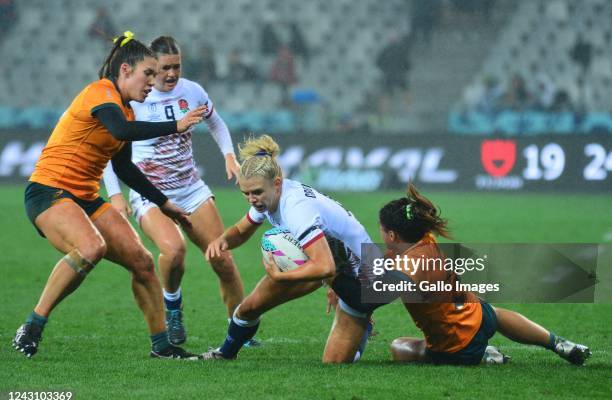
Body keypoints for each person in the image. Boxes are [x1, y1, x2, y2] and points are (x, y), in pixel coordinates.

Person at [13, 32, 207, 359]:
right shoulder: (99, 93)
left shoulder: (127, 111)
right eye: (148, 73)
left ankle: (161, 346)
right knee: (91, 247)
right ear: (126, 71)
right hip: (49, 190)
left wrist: (165, 203)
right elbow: (119, 131)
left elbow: (126, 169)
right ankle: (32, 324)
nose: (154, 80)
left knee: (143, 262)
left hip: (85, 198)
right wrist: (176, 125)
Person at [102, 36, 248, 346]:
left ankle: (240, 330)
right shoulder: (135, 97)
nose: (171, 74)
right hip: (149, 193)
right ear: (151, 67)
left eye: (177, 66)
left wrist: (229, 155)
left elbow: (216, 123)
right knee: (174, 250)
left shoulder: (192, 91)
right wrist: (115, 194)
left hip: (191, 189)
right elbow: (108, 151)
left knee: (223, 259)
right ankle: (173, 307)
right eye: (165, 68)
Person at [203, 135, 382, 363]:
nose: (251, 199)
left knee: (335, 363)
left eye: (255, 192)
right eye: (245, 193)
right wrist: (223, 241)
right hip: (330, 261)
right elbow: (241, 230)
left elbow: (325, 267)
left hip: (362, 278)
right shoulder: (266, 197)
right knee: (249, 307)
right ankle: (224, 355)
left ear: (277, 183)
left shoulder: (296, 208)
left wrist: (281, 276)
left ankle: (362, 325)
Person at [378, 184, 592, 366]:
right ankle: (558, 343)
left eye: (381, 228)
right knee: (495, 313)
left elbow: (377, 294)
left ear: (391, 235)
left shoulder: (408, 265)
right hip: (479, 314)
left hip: (456, 345)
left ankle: (485, 355)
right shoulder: (425, 238)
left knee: (399, 346)